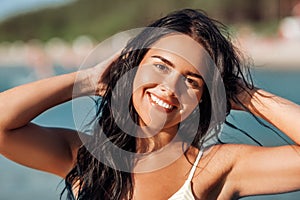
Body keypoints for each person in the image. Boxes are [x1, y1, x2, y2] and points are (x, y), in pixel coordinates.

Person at [1, 9, 300, 200]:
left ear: (204, 97)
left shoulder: (215, 168)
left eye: (192, 81)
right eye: (160, 66)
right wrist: (89, 80)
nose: (170, 88)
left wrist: (247, 96)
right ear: (134, 67)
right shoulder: (86, 157)